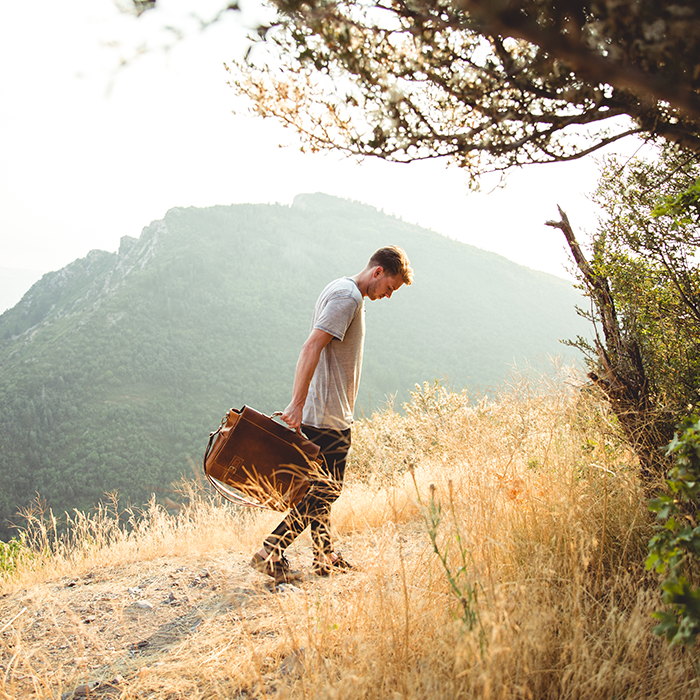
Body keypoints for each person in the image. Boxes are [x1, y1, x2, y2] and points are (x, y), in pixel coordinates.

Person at [250, 246, 413, 582]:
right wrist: (297, 403)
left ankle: (324, 556)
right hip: (327, 415)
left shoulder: (340, 287)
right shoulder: (348, 298)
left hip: (326, 411)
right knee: (326, 490)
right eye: (390, 288)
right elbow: (312, 345)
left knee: (320, 488)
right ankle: (271, 550)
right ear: (378, 272)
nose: (389, 295)